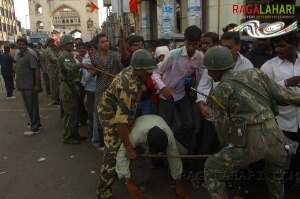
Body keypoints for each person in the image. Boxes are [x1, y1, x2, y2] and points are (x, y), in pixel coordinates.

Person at [203, 46, 299, 199]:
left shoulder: (220, 91)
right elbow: (286, 97)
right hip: (277, 140)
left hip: (251, 144)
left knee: (211, 169)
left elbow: (223, 129)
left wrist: (228, 149)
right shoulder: (256, 73)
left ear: (216, 69)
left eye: (209, 70)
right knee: (275, 178)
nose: (208, 73)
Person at [96, 49, 156, 199]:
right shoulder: (127, 86)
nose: (151, 74)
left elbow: (139, 91)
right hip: (109, 115)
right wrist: (128, 147)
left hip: (121, 113)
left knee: (124, 143)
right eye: (148, 71)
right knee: (112, 152)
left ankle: (125, 175)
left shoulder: (136, 72)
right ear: (139, 69)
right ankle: (103, 192)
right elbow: (120, 122)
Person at [151, 25, 203, 148]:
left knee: (189, 124)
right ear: (184, 41)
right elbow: (155, 73)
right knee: (165, 126)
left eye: (195, 44)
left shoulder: (200, 57)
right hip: (166, 95)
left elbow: (201, 77)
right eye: (189, 43)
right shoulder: (174, 54)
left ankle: (178, 146)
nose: (191, 47)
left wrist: (197, 91)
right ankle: (163, 151)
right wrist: (163, 88)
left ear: (199, 43)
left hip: (181, 94)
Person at [260, 31, 300, 191]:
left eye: (282, 46)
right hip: (282, 124)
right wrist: (285, 83)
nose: (278, 50)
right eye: (275, 46)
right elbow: (262, 91)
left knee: (297, 161)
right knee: (282, 162)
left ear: (294, 45)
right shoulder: (269, 67)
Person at [116, 115, 188, 199]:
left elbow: (174, 158)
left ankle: (173, 171)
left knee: (182, 153)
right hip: (141, 122)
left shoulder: (169, 136)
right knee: (140, 178)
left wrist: (178, 182)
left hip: (158, 120)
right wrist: (127, 181)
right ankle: (139, 174)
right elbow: (121, 154)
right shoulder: (137, 135)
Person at [90, 33, 123, 148]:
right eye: (102, 42)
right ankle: (101, 141)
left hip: (114, 90)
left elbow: (122, 71)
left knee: (114, 114)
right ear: (97, 45)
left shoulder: (115, 55)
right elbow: (93, 74)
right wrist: (92, 70)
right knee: (100, 116)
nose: (106, 44)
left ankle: (116, 140)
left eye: (107, 41)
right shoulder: (94, 57)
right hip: (100, 90)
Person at [58, 35, 86, 144]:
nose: (72, 45)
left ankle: (74, 134)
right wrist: (81, 64)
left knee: (74, 112)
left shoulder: (68, 54)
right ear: (65, 45)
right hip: (67, 86)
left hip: (72, 85)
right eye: (70, 43)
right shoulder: (64, 55)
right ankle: (68, 137)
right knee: (69, 113)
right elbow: (69, 68)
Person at [15, 38, 42, 135]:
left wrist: (37, 85)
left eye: (22, 44)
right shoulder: (18, 55)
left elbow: (36, 71)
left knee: (32, 107)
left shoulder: (30, 55)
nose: (21, 46)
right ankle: (37, 124)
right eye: (19, 44)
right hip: (22, 85)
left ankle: (34, 127)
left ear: (26, 45)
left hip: (30, 86)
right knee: (29, 106)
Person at [45, 38, 60, 105]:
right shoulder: (49, 50)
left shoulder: (52, 49)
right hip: (52, 69)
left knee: (55, 84)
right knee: (54, 85)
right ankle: (55, 99)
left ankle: (56, 99)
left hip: (53, 68)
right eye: (52, 42)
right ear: (49, 43)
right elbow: (54, 59)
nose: (54, 44)